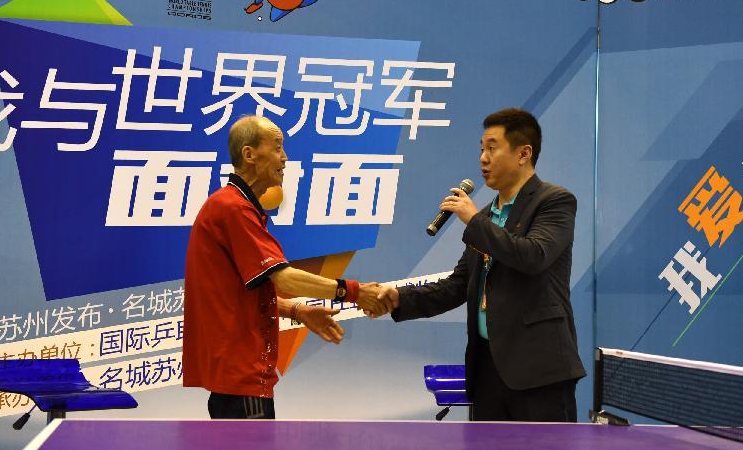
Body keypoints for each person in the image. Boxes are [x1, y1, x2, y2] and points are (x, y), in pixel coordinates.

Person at [375, 108, 585, 422]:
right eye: (481, 149)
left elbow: (533, 256)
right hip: (487, 371)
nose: (483, 158)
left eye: (492, 147)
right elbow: (459, 285)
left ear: (523, 154)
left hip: (540, 372)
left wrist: (473, 220)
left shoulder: (554, 201)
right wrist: (399, 299)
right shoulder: (486, 216)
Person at [183, 115, 387, 419]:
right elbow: (284, 277)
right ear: (249, 154)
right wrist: (354, 292)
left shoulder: (234, 206)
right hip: (243, 385)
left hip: (238, 384)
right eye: (277, 148)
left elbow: (239, 294)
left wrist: (298, 311)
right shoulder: (233, 208)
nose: (285, 158)